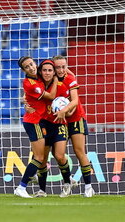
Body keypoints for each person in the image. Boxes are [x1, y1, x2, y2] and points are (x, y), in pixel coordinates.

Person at [31, 60, 77, 198]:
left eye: (50, 70)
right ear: (41, 71)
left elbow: (71, 104)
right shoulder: (38, 84)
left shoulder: (64, 84)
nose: (47, 73)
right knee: (42, 159)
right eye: (45, 70)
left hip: (59, 123)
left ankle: (67, 183)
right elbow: (29, 97)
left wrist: (68, 112)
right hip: (44, 124)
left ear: (54, 71)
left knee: (59, 155)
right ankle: (42, 190)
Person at [13, 57, 58, 198]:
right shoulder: (30, 83)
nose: (31, 68)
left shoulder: (40, 74)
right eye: (27, 67)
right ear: (23, 70)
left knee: (39, 156)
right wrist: (56, 79)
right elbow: (50, 96)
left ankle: (33, 179)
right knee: (39, 157)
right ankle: (21, 187)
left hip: (41, 120)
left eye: (32, 64)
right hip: (34, 121)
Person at [52, 55, 95, 197]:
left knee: (79, 152)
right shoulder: (50, 81)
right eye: (57, 67)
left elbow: (75, 101)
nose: (61, 69)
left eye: (63, 66)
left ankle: (88, 187)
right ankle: (68, 182)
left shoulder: (70, 79)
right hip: (60, 121)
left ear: (66, 66)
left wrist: (65, 110)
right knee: (58, 155)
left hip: (76, 119)